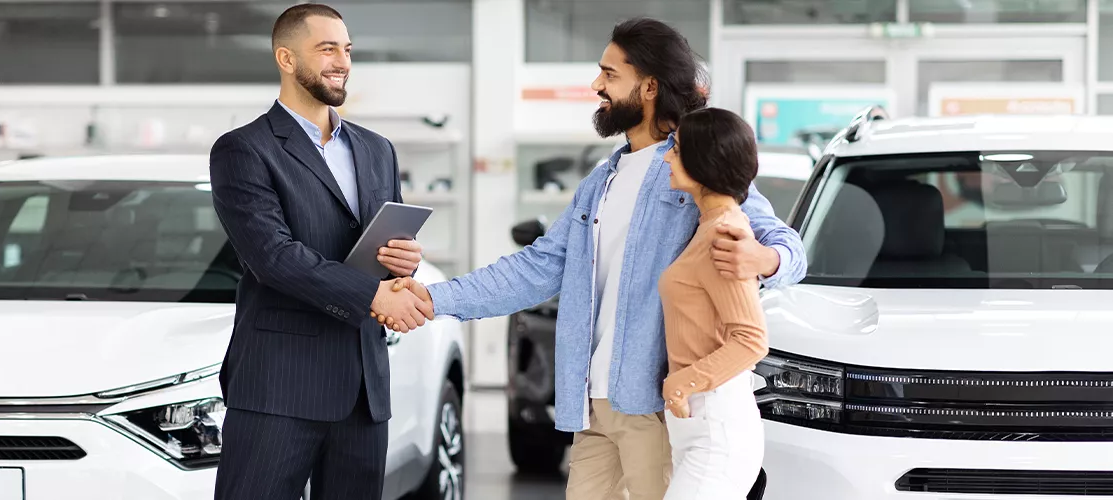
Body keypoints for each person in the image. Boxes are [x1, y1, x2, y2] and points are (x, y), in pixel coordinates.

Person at [377, 17, 806, 500]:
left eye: (609, 74)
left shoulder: (693, 162)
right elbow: (537, 266)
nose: (596, 85)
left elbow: (787, 246)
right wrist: (430, 298)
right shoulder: (602, 179)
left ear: (648, 86)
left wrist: (764, 258)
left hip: (654, 407)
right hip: (592, 404)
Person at [207, 4, 432, 500]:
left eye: (347, 49)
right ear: (286, 59)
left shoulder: (378, 149)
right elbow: (273, 256)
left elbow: (376, 242)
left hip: (363, 391)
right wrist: (374, 296)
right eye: (327, 48)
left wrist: (402, 260)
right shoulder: (244, 149)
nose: (342, 61)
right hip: (279, 386)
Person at [658, 107, 770, 500]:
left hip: (716, 426)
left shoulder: (724, 234)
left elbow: (751, 340)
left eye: (675, 148)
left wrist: (679, 384)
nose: (667, 156)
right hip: (700, 425)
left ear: (704, 160)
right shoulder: (709, 225)